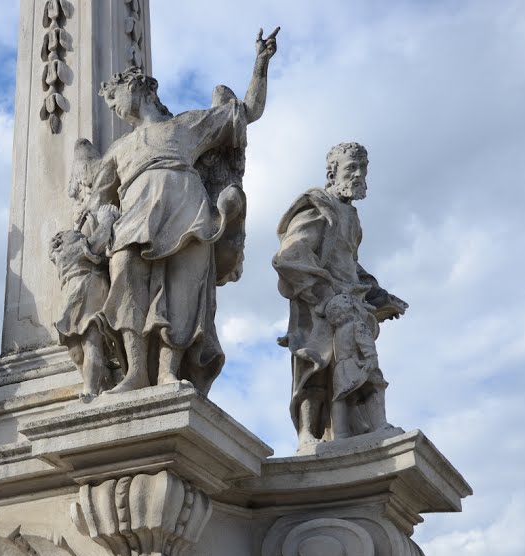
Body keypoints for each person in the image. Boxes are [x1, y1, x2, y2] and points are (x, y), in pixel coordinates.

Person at [84, 28, 279, 395]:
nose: (114, 107)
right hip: (137, 214)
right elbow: (96, 198)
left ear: (139, 88)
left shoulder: (185, 126)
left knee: (182, 289)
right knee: (125, 271)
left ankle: (168, 371)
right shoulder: (119, 149)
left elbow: (248, 111)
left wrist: (261, 63)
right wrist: (100, 223)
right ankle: (136, 371)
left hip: (186, 208)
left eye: (115, 97)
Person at [272, 143, 406, 447]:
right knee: (315, 367)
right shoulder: (318, 207)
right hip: (317, 303)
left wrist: (379, 295)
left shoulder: (352, 217)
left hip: (352, 304)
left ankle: (367, 429)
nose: (358, 175)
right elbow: (288, 257)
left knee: (363, 366)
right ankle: (308, 435)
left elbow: (349, 263)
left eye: (363, 169)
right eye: (351, 169)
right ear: (333, 172)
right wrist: (323, 294)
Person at [49, 204, 120, 396]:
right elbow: (97, 241)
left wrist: (103, 219)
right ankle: (101, 383)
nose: (77, 233)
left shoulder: (75, 249)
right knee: (75, 352)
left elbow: (96, 244)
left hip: (91, 292)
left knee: (91, 340)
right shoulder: (70, 251)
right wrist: (106, 218)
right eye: (69, 234)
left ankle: (90, 389)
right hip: (74, 296)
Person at [323, 293, 389, 439]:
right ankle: (380, 424)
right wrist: (372, 359)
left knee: (341, 399)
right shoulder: (358, 325)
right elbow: (366, 344)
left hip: (340, 370)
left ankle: (340, 434)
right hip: (358, 365)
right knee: (372, 391)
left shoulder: (336, 333)